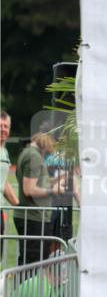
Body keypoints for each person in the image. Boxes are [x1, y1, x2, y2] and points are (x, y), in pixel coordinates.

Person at [15, 131, 64, 265]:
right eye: (53, 146)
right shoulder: (34, 156)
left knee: (30, 262)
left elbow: (38, 182)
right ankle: (22, 287)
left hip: (33, 217)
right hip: (34, 218)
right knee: (32, 265)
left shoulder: (30, 153)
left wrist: (56, 180)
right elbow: (29, 190)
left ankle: (23, 286)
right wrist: (53, 190)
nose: (52, 151)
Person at [0, 112, 20, 256]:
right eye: (0, 126)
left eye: (6, 126)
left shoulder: (4, 151)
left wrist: (18, 205)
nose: (3, 129)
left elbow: (3, 181)